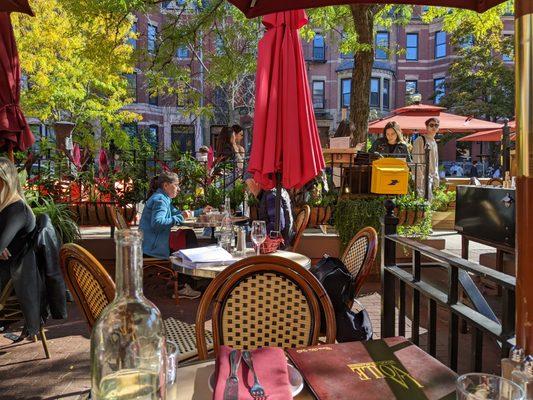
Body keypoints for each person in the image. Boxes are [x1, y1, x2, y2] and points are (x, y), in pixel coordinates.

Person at [139, 171, 211, 299]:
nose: (178, 189)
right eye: (176, 185)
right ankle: (185, 284)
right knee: (185, 246)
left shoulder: (162, 198)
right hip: (152, 248)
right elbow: (157, 223)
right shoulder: (160, 200)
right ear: (166, 185)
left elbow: (178, 213)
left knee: (188, 234)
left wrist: (200, 211)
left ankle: (191, 276)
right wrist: (180, 217)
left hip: (150, 244)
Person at [245, 176, 294, 249]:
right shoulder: (271, 192)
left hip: (276, 246)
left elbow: (277, 225)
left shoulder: (271, 195)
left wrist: (258, 233)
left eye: (248, 185)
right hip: (276, 242)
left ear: (256, 182)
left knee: (240, 247)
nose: (248, 189)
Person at [413, 117, 440, 199]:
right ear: (426, 127)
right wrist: (419, 177)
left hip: (432, 176)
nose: (434, 127)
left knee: (431, 201)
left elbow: (435, 161)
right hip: (423, 176)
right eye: (431, 125)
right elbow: (416, 159)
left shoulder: (434, 142)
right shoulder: (420, 140)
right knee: (425, 202)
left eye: (436, 125)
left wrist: (436, 176)